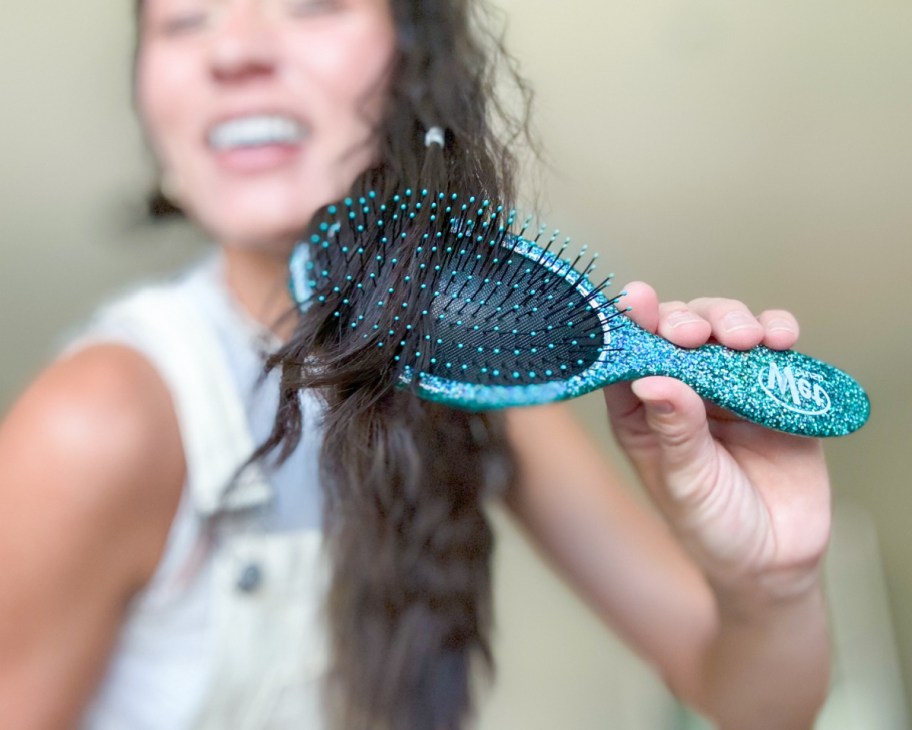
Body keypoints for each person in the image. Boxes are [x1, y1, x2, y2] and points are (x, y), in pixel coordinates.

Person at [0, 0, 831, 728]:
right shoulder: (100, 419)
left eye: (311, 3)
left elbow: (752, 703)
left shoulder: (469, 370)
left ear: (413, 56)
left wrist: (771, 582)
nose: (234, 48)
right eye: (184, 19)